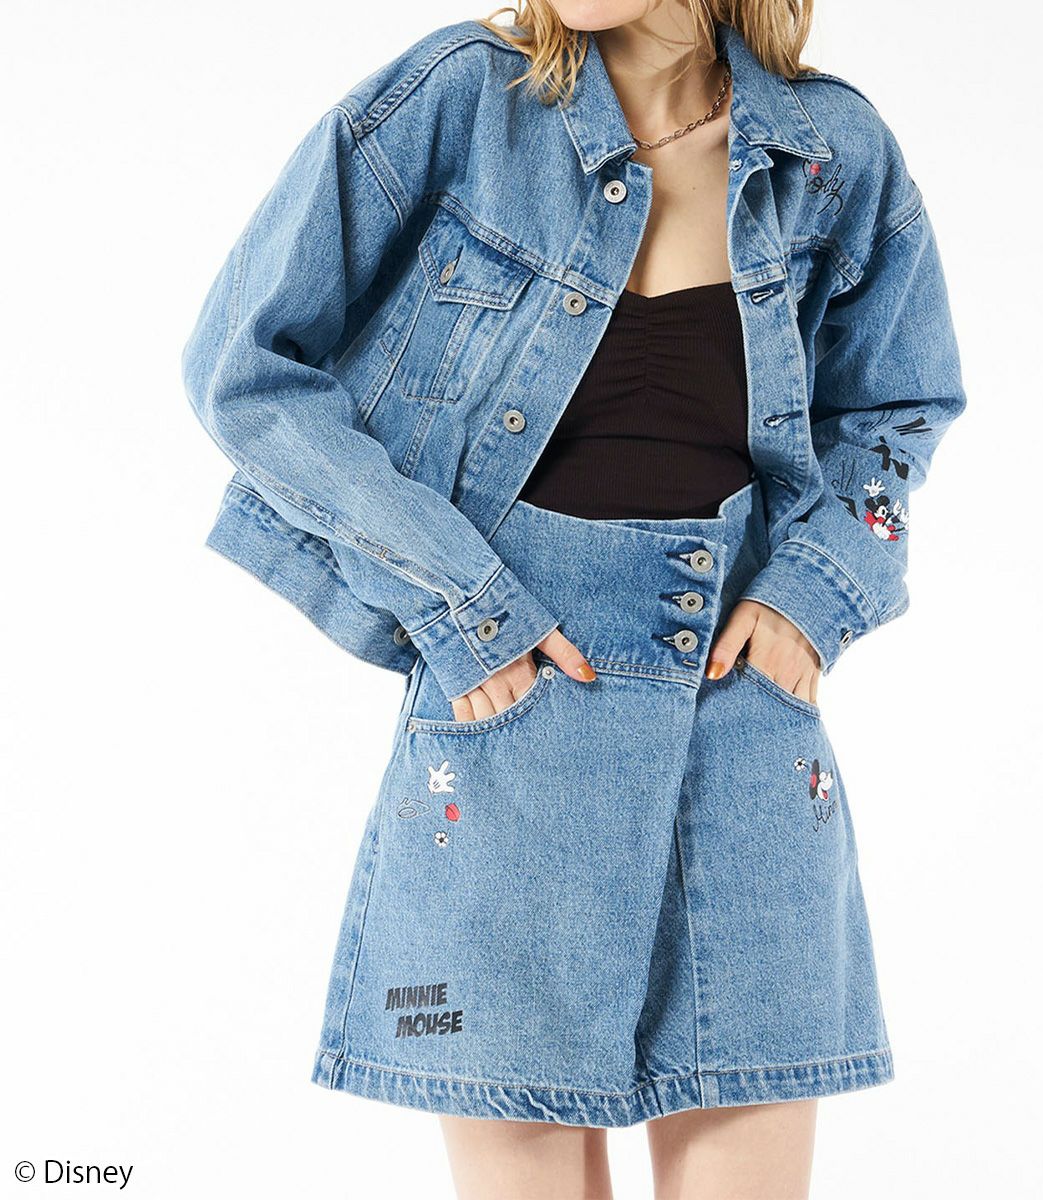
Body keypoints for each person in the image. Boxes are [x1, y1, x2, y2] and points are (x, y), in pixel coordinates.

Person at [181, 2, 966, 1196]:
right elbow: (244, 369)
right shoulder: (461, 99)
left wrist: (815, 592)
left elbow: (898, 404)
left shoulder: (832, 153)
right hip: (509, 720)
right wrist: (458, 602)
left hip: (744, 730)